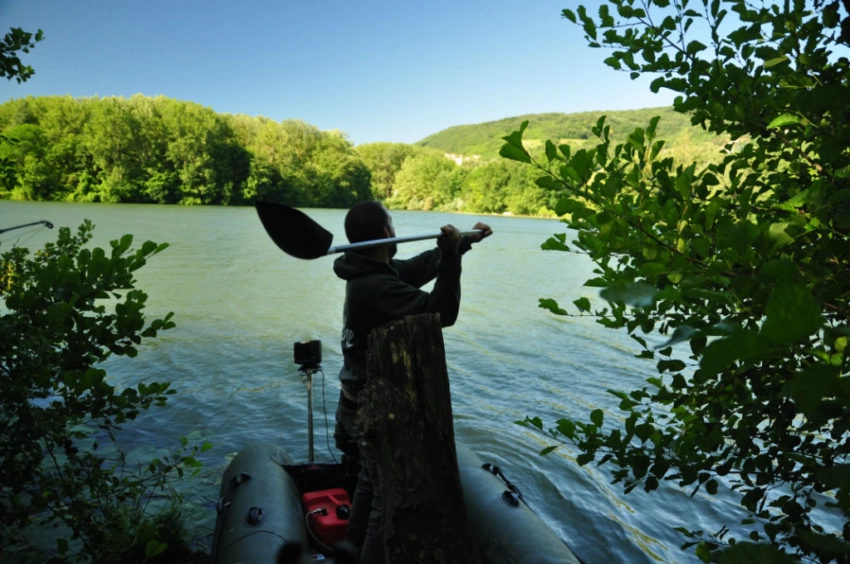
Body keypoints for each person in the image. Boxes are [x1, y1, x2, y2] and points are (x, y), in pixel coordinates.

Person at [332, 200, 492, 563]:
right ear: (387, 232)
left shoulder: (370, 272)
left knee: (370, 483)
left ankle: (350, 551)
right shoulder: (374, 287)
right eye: (392, 223)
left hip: (355, 401)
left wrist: (462, 243)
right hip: (366, 410)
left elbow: (417, 268)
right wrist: (450, 260)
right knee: (383, 503)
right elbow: (443, 312)